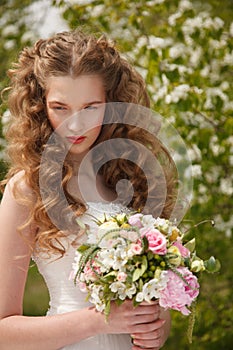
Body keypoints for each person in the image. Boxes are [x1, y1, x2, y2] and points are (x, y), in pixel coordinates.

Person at [0, 29, 178, 350]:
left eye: (91, 107)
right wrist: (99, 320)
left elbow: (149, 302)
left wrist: (158, 326)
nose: (76, 125)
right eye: (60, 107)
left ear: (112, 102)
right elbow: (3, 331)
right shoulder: (26, 188)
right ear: (40, 106)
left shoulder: (130, 177)